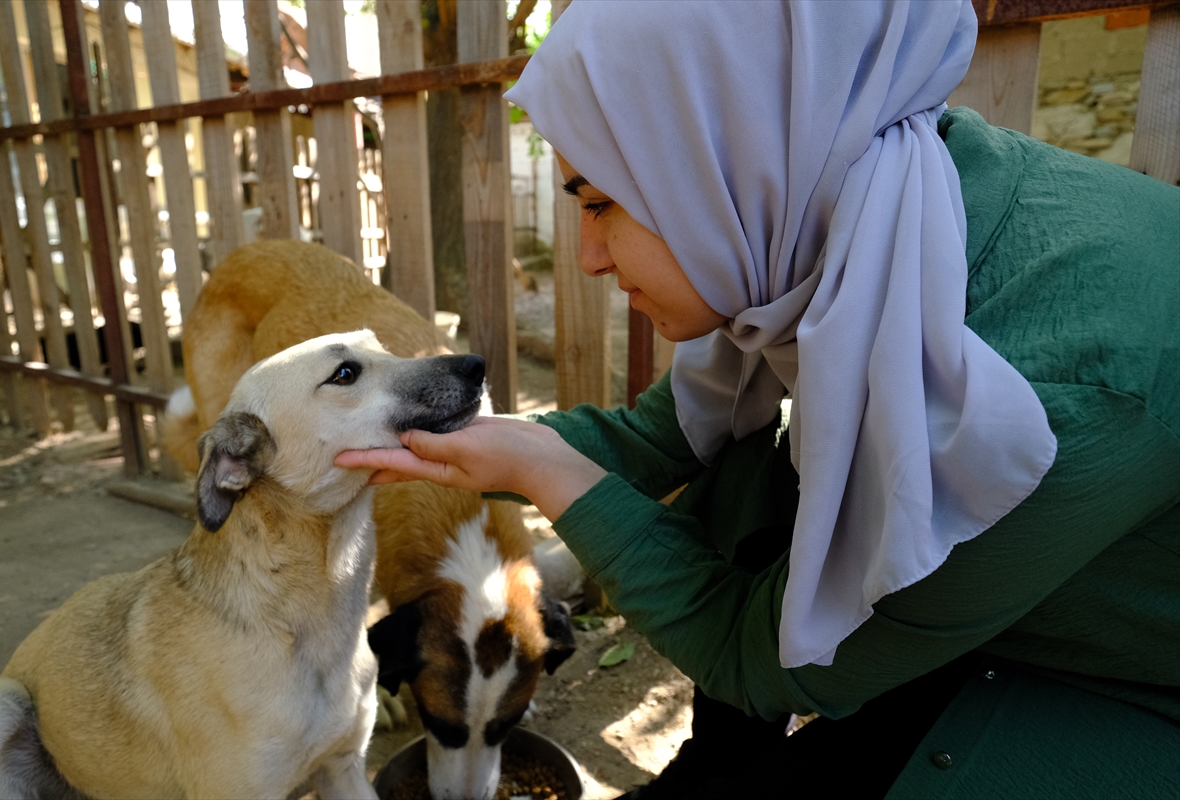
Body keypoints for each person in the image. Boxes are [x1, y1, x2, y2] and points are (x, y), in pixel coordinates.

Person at [338, 2, 1179, 796]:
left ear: (722, 169)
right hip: (1006, 590)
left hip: (1127, 685)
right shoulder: (848, 212)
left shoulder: (1037, 404)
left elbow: (765, 654)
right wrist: (483, 448)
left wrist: (556, 478)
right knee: (743, 468)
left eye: (602, 204)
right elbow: (661, 437)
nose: (590, 256)